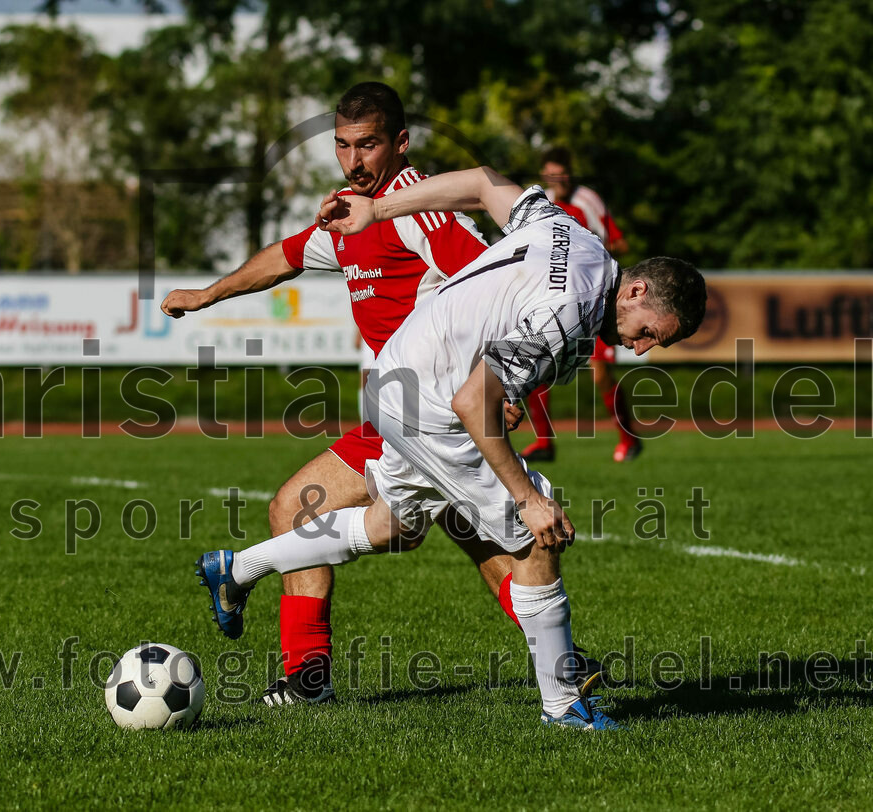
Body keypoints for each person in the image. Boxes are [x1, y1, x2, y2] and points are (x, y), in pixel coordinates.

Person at [196, 165, 706, 730]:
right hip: (432, 404)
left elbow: (486, 180)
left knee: (391, 525)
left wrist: (379, 208)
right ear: (636, 291)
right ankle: (564, 706)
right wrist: (525, 497)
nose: (641, 349)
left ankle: (237, 568)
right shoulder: (571, 312)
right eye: (652, 333)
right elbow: (472, 402)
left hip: (395, 375)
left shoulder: (574, 237)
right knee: (536, 537)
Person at [162, 83, 600, 707]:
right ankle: (567, 669)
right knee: (477, 536)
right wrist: (209, 294)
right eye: (342, 146)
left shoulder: (424, 213)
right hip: (405, 410)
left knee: (310, 510)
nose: (353, 160)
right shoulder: (349, 212)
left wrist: (505, 388)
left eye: (367, 145)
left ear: (400, 143)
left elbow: (495, 283)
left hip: (437, 405)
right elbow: (286, 258)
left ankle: (293, 656)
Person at [521, 146, 641, 463]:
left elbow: (619, 241)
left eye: (560, 171)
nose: (555, 178)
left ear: (570, 172)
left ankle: (628, 439)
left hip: (596, 297)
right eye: (549, 172)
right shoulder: (540, 202)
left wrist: (588, 249)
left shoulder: (587, 200)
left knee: (601, 374)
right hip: (556, 297)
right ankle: (544, 442)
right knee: (534, 365)